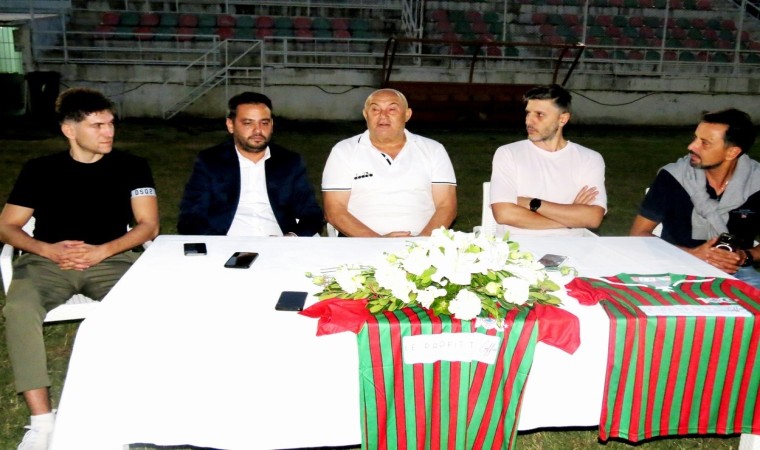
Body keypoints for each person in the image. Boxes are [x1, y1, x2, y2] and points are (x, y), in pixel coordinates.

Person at [0, 87, 159, 450]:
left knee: (146, 305)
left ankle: (121, 408)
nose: (109, 132)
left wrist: (103, 251)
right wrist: (46, 249)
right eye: (97, 125)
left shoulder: (132, 167)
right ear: (69, 130)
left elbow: (148, 225)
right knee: (19, 308)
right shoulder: (40, 170)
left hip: (110, 259)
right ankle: (42, 422)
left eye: (111, 123)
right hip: (46, 262)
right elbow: (6, 226)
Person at [630, 108, 760, 288]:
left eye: (704, 143)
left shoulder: (756, 182)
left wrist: (745, 256)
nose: (691, 146)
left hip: (738, 272)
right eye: (695, 138)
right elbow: (638, 234)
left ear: (732, 152)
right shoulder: (674, 177)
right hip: (675, 264)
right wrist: (692, 254)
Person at [178, 91, 323, 236]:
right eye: (248, 123)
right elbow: (191, 217)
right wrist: (218, 244)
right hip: (228, 241)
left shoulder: (289, 162)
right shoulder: (211, 161)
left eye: (264, 123)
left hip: (278, 240)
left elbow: (311, 213)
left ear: (272, 125)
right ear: (230, 125)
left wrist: (291, 237)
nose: (258, 130)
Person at [321, 88, 457, 237]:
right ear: (366, 115)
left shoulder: (433, 150)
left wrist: (420, 243)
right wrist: (378, 241)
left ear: (407, 115)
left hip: (423, 241)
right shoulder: (344, 151)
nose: (383, 115)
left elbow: (446, 206)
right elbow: (334, 210)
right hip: (360, 242)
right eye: (375, 109)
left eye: (392, 109)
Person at [489, 84, 607, 236]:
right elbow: (504, 214)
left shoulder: (589, 158)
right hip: (518, 247)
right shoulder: (508, 153)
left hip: (572, 247)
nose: (529, 121)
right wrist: (571, 219)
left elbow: (593, 218)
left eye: (539, 115)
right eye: (528, 113)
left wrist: (532, 203)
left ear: (562, 119)